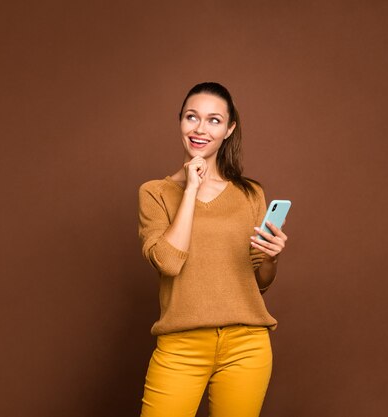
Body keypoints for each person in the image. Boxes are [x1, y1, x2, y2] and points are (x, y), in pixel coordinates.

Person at [137, 82, 289, 417]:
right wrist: (191, 188)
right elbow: (168, 263)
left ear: (229, 129)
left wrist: (272, 257)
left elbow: (259, 282)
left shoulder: (250, 194)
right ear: (180, 122)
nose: (200, 129)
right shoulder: (155, 193)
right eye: (192, 117)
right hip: (181, 346)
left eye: (214, 120)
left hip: (247, 344)